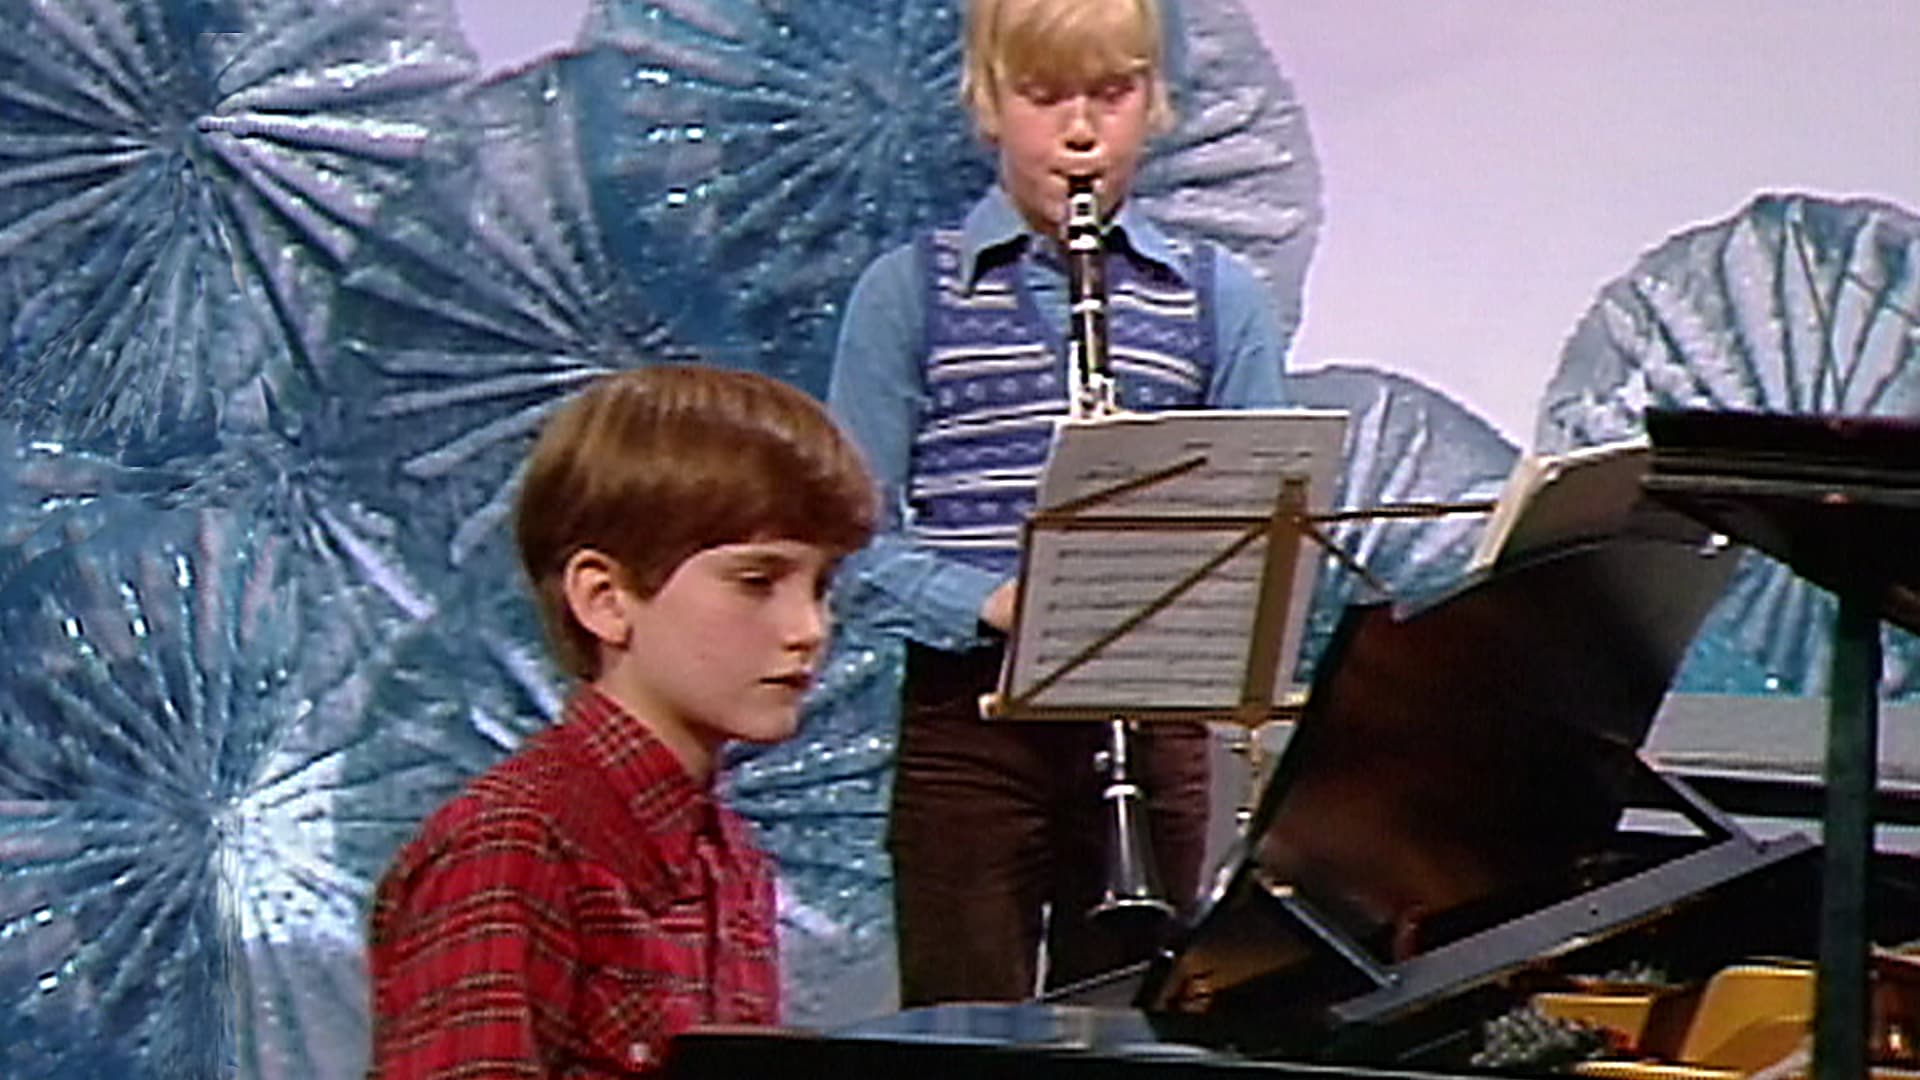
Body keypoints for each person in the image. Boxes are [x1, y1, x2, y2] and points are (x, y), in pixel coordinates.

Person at [827, 0, 1291, 1006]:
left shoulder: (1216, 298)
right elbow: (845, 541)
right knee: (961, 1030)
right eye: (1044, 96)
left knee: (1131, 1025)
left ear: (1154, 104)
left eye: (1110, 94)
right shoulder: (907, 294)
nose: (1080, 131)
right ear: (987, 104)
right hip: (971, 724)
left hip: (1150, 725)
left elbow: (1266, 528)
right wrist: (998, 604)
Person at [365, 365, 877, 1078]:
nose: (809, 629)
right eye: (757, 582)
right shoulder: (512, 848)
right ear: (605, 600)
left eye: (820, 587)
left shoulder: (727, 854)